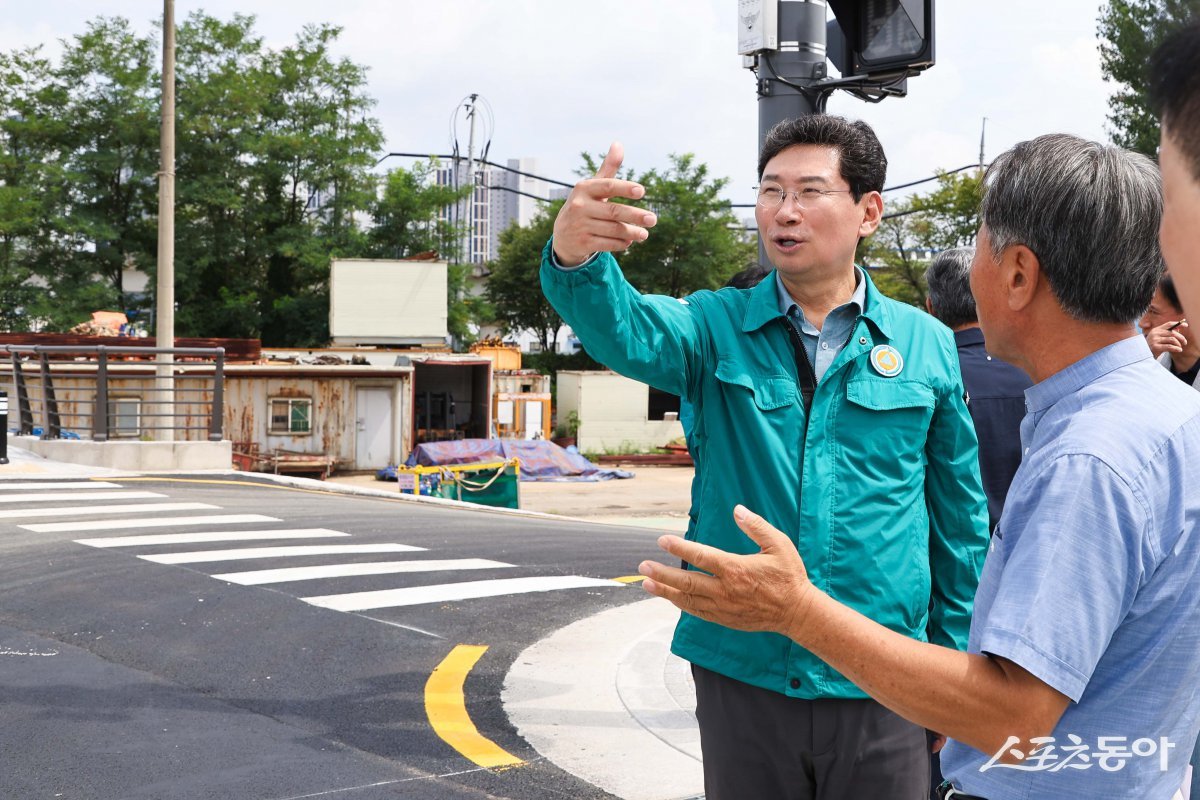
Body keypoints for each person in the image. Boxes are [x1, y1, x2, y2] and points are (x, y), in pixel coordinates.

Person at [640, 132, 1200, 800]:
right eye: (773, 192)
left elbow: (1011, 716)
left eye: (982, 241)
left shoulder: (1089, 461)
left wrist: (796, 612)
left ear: (1018, 273)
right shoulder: (1167, 412)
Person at [542, 114, 989, 799]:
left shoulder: (923, 344)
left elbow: (959, 524)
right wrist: (577, 259)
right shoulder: (714, 325)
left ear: (868, 210)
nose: (784, 212)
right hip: (743, 667)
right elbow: (626, 329)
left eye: (810, 191)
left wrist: (953, 668)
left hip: (884, 670)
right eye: (770, 191)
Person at [924, 247, 1032, 533]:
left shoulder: (923, 380)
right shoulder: (1037, 372)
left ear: (930, 307)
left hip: (951, 552)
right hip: (1029, 542)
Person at [1140, 274, 1199, 388]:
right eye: (1143, 311)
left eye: (1153, 312)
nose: (1142, 323)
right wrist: (1145, 358)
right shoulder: (1150, 359)